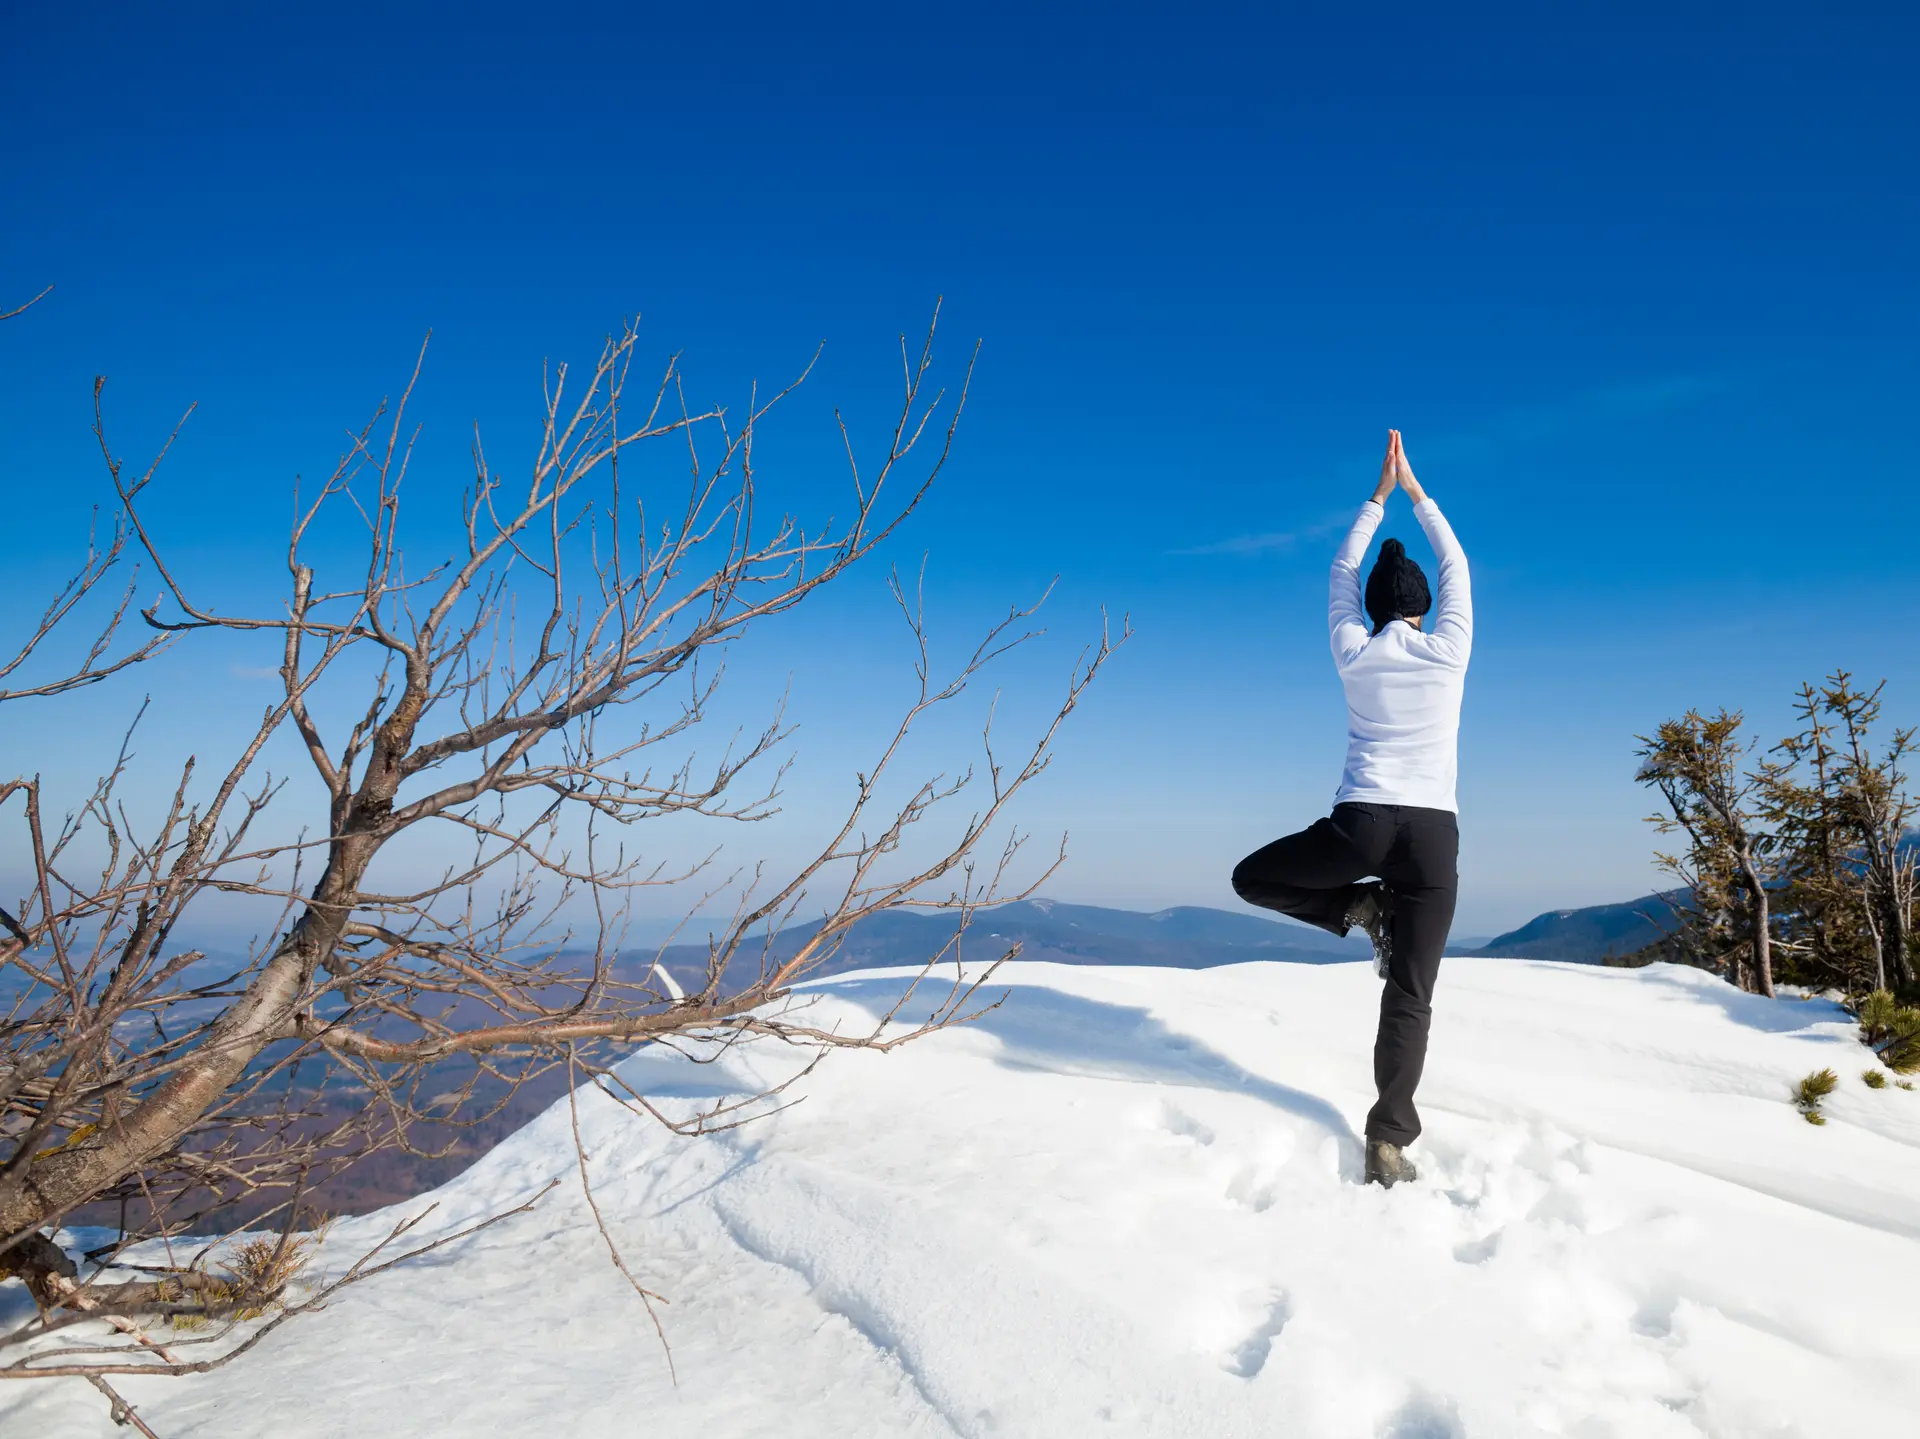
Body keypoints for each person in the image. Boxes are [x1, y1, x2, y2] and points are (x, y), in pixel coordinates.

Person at [1230, 430, 1471, 1188]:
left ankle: (1360, 909)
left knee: (1254, 877)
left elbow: (1339, 568)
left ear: (1370, 608)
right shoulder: (1450, 649)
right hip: (1432, 836)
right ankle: (1389, 1140)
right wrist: (1416, 492)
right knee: (1412, 994)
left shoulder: (1353, 650)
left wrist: (1375, 495)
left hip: (1361, 825)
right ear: (1426, 608)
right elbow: (1456, 561)